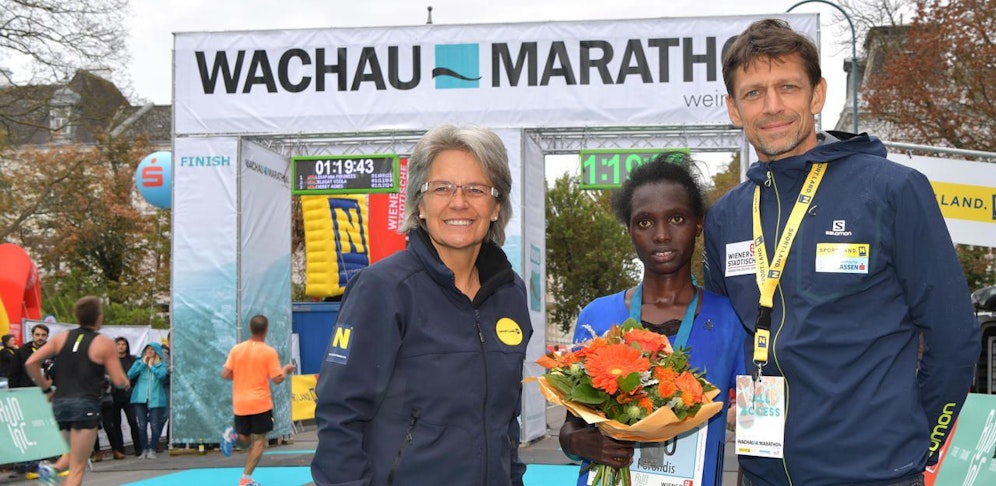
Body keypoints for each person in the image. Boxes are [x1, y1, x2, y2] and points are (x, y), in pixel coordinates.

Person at [703, 18, 980, 486]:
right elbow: (727, 334)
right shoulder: (727, 215)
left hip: (873, 474)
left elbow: (955, 339)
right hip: (761, 471)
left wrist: (919, 445)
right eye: (753, 93)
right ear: (733, 109)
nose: (772, 106)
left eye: (787, 87)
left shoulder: (894, 190)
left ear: (817, 95)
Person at [310, 124, 533, 486]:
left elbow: (504, 421)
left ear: (496, 206)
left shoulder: (510, 294)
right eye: (441, 188)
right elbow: (339, 418)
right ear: (419, 203)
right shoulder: (383, 289)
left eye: (476, 189)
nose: (458, 202)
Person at [559, 156, 745, 486]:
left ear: (698, 224)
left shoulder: (731, 318)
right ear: (629, 229)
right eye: (644, 222)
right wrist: (577, 443)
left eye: (676, 218)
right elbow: (572, 426)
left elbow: (755, 425)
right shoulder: (596, 316)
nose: (661, 234)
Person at [24, 296, 129, 486]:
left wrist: (46, 389)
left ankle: (54, 469)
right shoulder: (104, 343)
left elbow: (31, 362)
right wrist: (125, 382)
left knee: (72, 455)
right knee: (77, 467)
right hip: (85, 405)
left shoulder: (62, 337)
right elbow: (119, 380)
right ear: (98, 317)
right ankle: (54, 469)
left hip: (61, 405)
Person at [220, 314, 296, 486]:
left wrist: (240, 376)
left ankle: (232, 436)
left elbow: (224, 373)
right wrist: (285, 370)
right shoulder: (268, 352)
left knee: (245, 441)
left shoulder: (237, 349)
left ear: (250, 329)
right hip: (260, 403)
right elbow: (277, 379)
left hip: (240, 403)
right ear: (266, 330)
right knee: (259, 442)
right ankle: (245, 479)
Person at [127, 342, 169, 459]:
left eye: (152, 349)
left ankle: (153, 448)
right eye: (147, 349)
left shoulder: (161, 365)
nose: (149, 351)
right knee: (141, 425)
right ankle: (144, 449)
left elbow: (161, 376)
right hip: (140, 398)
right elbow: (129, 374)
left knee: (155, 425)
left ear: (156, 351)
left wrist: (152, 366)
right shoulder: (139, 362)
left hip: (155, 398)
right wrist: (142, 364)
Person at [111, 337, 142, 457]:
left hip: (129, 394)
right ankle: (120, 449)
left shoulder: (132, 360)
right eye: (118, 344)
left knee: (133, 421)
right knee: (115, 423)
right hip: (114, 395)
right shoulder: (111, 360)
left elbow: (137, 375)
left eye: (123, 344)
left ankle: (138, 448)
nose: (120, 346)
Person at [8, 323, 50, 388]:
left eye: (43, 335)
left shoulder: (53, 350)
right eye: (37, 335)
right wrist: (13, 391)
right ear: (32, 335)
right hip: (26, 389)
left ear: (47, 336)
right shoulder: (21, 351)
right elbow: (14, 373)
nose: (40, 337)